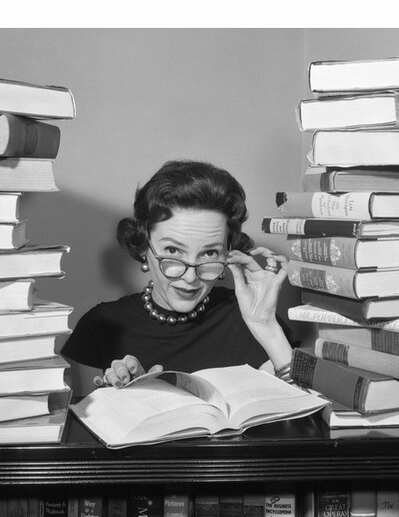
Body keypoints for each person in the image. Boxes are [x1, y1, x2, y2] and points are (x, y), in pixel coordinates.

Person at [60, 159, 296, 397]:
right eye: (173, 251)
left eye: (210, 253)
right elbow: (83, 427)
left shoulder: (251, 321)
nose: (191, 277)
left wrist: (265, 326)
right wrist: (129, 398)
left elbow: (305, 421)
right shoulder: (99, 327)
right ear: (143, 246)